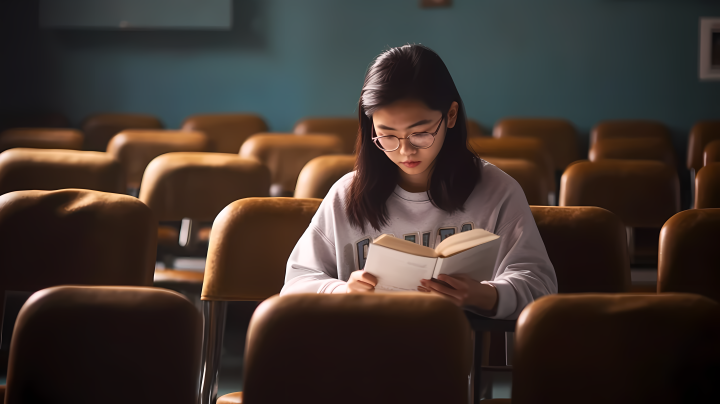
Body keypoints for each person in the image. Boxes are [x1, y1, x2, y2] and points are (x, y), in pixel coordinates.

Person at [281, 44, 556, 319]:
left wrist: (484, 295)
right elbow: (295, 283)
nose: (405, 150)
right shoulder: (346, 195)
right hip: (361, 356)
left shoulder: (499, 192)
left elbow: (540, 286)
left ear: (450, 116)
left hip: (457, 356)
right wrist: (341, 292)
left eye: (420, 133)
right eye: (386, 136)